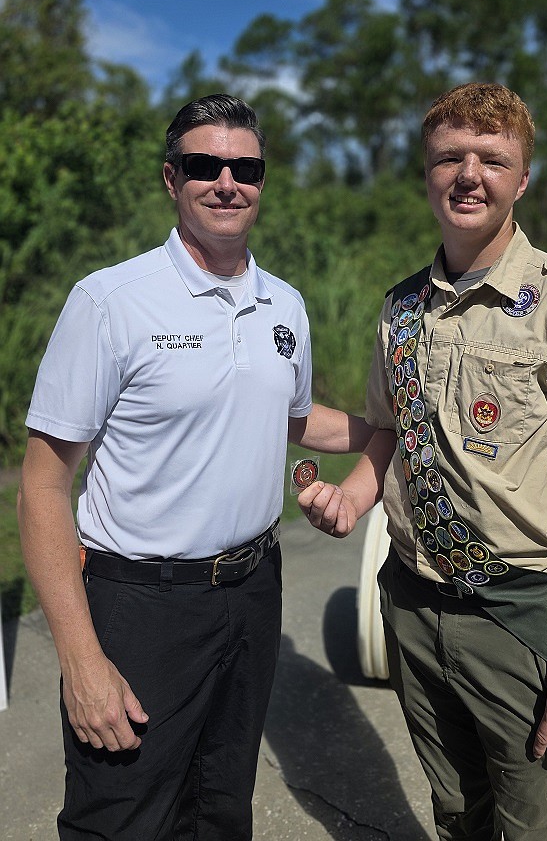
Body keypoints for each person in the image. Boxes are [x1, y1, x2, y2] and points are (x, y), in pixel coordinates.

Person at [299, 83, 547, 841]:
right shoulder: (401, 309)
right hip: (410, 601)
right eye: (449, 158)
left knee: (541, 824)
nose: (469, 174)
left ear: (522, 179)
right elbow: (391, 430)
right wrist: (354, 497)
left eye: (492, 159)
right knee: (456, 812)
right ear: (427, 174)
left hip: (519, 616)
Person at [17, 93, 373, 840]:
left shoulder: (287, 305)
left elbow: (295, 417)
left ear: (262, 181)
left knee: (220, 805)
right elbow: (43, 485)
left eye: (244, 167)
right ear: (170, 179)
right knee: (122, 816)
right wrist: (81, 661)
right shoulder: (112, 301)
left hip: (253, 594)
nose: (226, 182)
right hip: (140, 605)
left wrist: (397, 426)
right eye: (204, 165)